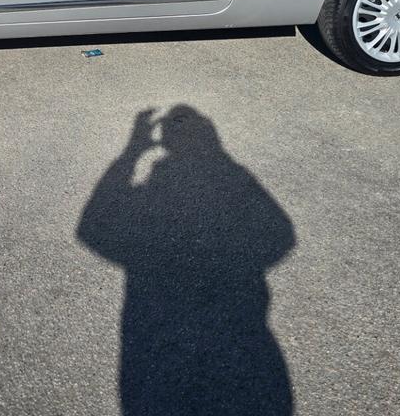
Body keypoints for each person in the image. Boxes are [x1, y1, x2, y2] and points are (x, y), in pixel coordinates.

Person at [77, 106, 296, 415]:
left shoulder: (229, 174)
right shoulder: (233, 173)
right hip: (248, 337)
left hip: (154, 336)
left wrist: (132, 151)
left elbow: (91, 229)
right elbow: (282, 235)